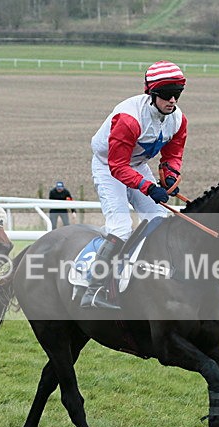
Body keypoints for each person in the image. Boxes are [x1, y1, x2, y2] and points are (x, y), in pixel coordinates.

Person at [81, 60, 187, 309]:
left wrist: (169, 177)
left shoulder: (178, 120)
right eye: (166, 95)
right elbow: (118, 167)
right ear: (151, 93)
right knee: (120, 228)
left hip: (137, 165)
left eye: (177, 94)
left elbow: (173, 155)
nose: (172, 100)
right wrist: (149, 187)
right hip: (109, 166)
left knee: (159, 219)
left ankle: (148, 276)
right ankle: (93, 290)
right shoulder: (129, 119)